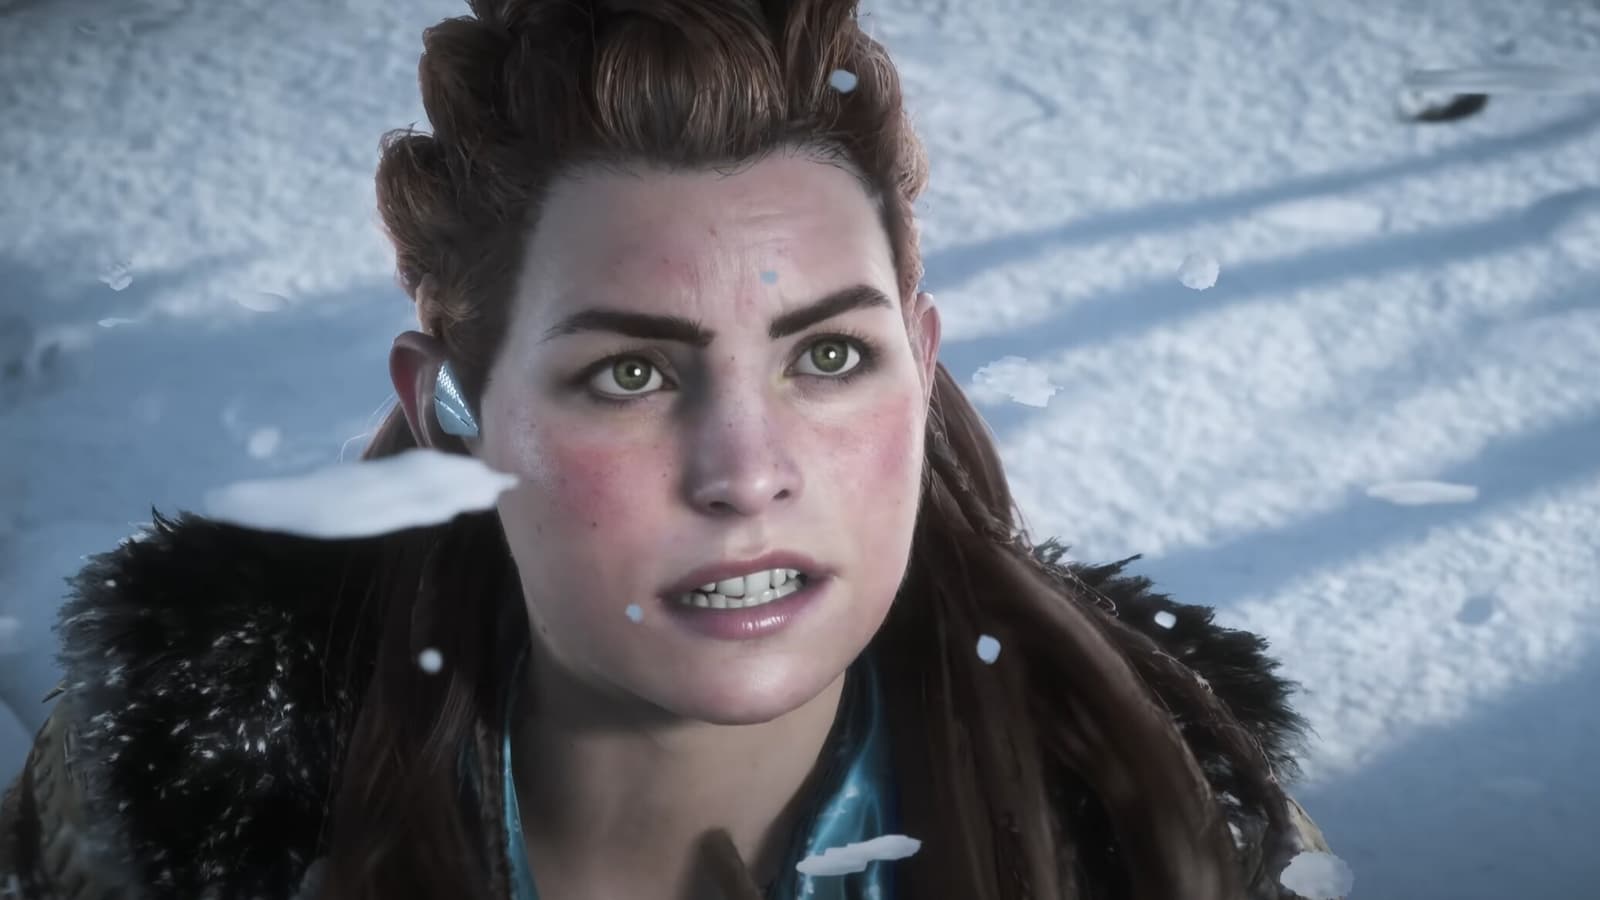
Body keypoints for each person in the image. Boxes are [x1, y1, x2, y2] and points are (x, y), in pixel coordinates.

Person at [0, 1, 1339, 898]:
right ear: (453, 408)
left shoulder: (1171, 817)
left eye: (829, 357)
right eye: (630, 374)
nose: (746, 474)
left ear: (921, 366)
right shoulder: (168, 807)